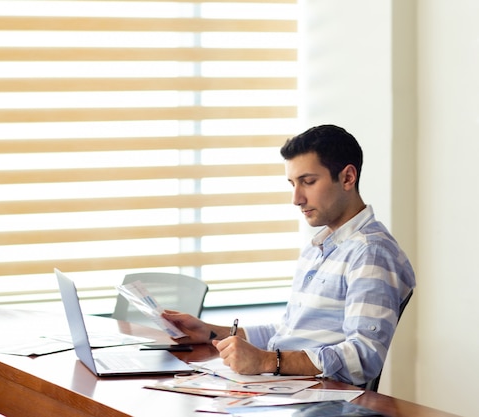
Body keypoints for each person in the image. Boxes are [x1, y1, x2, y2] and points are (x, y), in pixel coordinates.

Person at [163, 124, 416, 387]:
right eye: (292, 184)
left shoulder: (371, 252)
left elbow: (363, 358)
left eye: (308, 182)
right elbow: (287, 332)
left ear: (347, 178)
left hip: (319, 399)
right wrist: (211, 332)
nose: (296, 198)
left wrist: (266, 361)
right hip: (286, 389)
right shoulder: (320, 246)